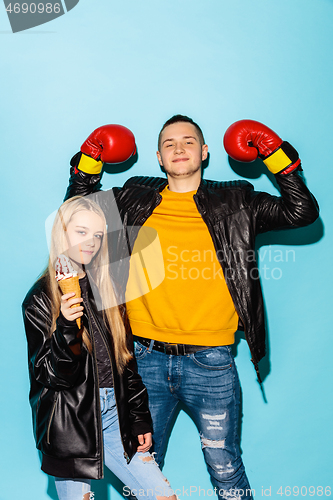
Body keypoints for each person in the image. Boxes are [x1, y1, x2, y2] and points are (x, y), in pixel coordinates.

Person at [64, 116, 319, 500]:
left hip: (211, 361)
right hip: (143, 360)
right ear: (159, 157)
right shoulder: (133, 197)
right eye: (169, 144)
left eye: (188, 142)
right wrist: (88, 159)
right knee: (141, 474)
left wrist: (275, 152)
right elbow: (75, 214)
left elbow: (302, 212)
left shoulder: (237, 200)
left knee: (226, 469)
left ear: (204, 152)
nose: (178, 149)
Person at [22, 196, 177, 500]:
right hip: (71, 425)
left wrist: (139, 417)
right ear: (61, 233)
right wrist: (67, 325)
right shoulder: (40, 299)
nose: (91, 242)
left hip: (116, 415)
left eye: (97, 235)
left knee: (163, 496)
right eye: (81, 232)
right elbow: (53, 376)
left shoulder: (105, 287)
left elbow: (125, 361)